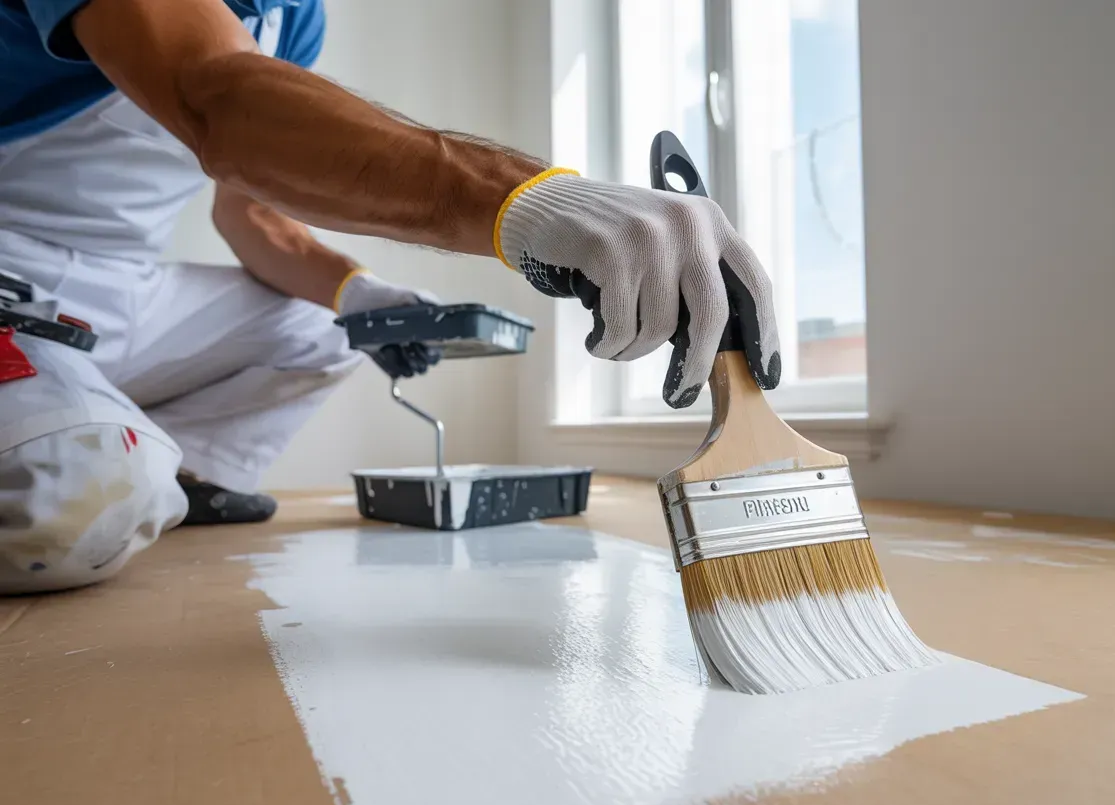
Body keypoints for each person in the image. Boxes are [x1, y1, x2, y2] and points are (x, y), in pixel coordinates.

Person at [0, 0, 781, 595]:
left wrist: (358, 292)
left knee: (322, 330)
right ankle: (98, 445)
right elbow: (221, 106)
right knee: (76, 501)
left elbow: (249, 208)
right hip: (9, 268)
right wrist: (530, 201)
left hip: (123, 285)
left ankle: (164, 471)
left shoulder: (292, 17)